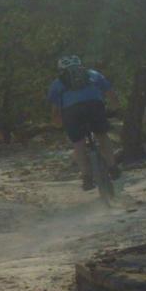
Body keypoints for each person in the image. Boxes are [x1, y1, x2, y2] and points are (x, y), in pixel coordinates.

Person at [47, 55, 119, 191]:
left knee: (78, 143)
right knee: (102, 135)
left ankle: (86, 178)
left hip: (72, 112)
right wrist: (115, 108)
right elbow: (110, 93)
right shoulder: (93, 74)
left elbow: (55, 110)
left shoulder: (57, 83)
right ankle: (112, 167)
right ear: (80, 65)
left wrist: (57, 123)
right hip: (94, 106)